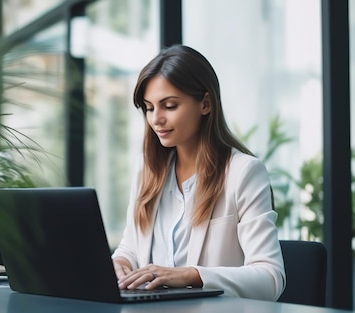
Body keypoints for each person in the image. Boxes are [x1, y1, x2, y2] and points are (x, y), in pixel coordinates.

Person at [111, 45, 286, 301]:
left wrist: (192, 275)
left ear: (205, 104)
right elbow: (131, 246)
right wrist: (121, 262)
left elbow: (271, 278)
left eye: (169, 106)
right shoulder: (147, 169)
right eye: (149, 108)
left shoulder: (244, 173)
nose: (156, 119)